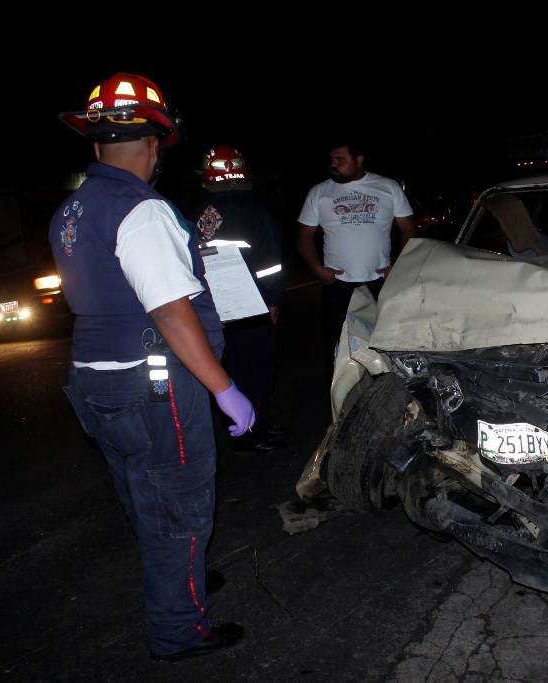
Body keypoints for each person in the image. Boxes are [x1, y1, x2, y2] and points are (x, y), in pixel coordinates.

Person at [50, 72, 250, 663]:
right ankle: (179, 630)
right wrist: (225, 388)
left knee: (141, 492)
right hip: (153, 383)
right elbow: (169, 310)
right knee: (178, 502)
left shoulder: (73, 208)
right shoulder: (141, 209)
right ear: (155, 144)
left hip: (95, 378)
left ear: (95, 145)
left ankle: (177, 579)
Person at [191, 144, 288, 453]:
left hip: (209, 308)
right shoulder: (254, 210)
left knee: (228, 367)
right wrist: (273, 300)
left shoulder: (193, 213)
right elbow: (269, 262)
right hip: (252, 307)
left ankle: (250, 421)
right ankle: (254, 433)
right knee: (257, 368)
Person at [296, 139, 416, 380]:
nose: (334, 165)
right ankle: (340, 404)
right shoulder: (319, 192)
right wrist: (317, 268)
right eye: (331, 160)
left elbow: (408, 230)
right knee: (336, 345)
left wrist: (399, 266)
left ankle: (392, 393)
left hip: (380, 282)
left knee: (386, 341)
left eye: (341, 159)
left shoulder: (387, 187)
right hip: (337, 285)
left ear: (359, 159)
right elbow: (304, 236)